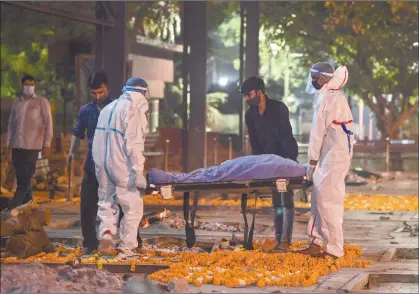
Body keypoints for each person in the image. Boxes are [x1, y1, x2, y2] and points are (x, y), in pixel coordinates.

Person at [299, 63, 353, 259]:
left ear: (322, 78)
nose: (312, 81)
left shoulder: (330, 100)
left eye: (314, 77)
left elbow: (317, 134)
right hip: (329, 157)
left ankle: (334, 249)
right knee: (318, 200)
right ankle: (316, 242)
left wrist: (311, 164)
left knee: (327, 203)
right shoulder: (330, 96)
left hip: (333, 160)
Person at [92, 77, 149, 259]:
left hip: (102, 166)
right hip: (122, 165)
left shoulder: (108, 109)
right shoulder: (133, 110)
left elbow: (97, 141)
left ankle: (107, 234)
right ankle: (127, 248)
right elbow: (134, 143)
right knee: (133, 206)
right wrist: (139, 171)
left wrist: (100, 166)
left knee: (106, 202)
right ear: (142, 93)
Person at [241, 76, 299, 252]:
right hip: (266, 161)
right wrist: (259, 165)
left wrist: (286, 164)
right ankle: (278, 238)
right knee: (276, 201)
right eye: (245, 96)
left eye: (249, 95)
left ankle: (286, 241)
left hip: (284, 157)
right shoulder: (250, 115)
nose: (247, 99)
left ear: (259, 92)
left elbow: (284, 137)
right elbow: (255, 142)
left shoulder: (279, 109)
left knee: (286, 198)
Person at [67, 71, 113, 254]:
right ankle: (90, 242)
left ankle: (131, 241)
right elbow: (78, 132)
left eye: (100, 92)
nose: (97, 96)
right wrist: (71, 151)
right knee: (87, 204)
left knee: (121, 205)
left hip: (112, 165)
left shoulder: (117, 107)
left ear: (107, 87)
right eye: (94, 93)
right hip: (92, 164)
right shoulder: (86, 110)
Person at [6, 74, 53, 208]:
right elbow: (11, 125)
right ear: (22, 86)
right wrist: (8, 144)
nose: (29, 87)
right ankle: (28, 207)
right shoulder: (16, 102)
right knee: (21, 178)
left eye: (31, 84)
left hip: (32, 147)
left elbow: (48, 124)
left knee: (24, 181)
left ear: (35, 86)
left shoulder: (41, 102)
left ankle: (12, 207)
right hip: (17, 146)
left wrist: (47, 145)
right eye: (27, 84)